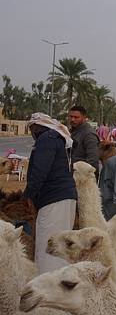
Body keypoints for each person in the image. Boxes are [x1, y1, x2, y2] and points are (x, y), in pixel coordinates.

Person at [22, 113, 78, 273]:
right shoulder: (56, 139)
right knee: (60, 248)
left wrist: (27, 195)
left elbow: (39, 171)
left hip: (54, 200)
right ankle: (58, 285)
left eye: (33, 128)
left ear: (40, 126)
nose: (32, 132)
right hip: (64, 198)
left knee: (49, 247)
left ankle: (46, 289)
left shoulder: (46, 139)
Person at [69, 105, 100, 176]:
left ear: (84, 117)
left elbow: (93, 160)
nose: (73, 119)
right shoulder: (73, 131)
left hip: (83, 179)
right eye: (71, 117)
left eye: (76, 117)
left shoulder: (89, 134)